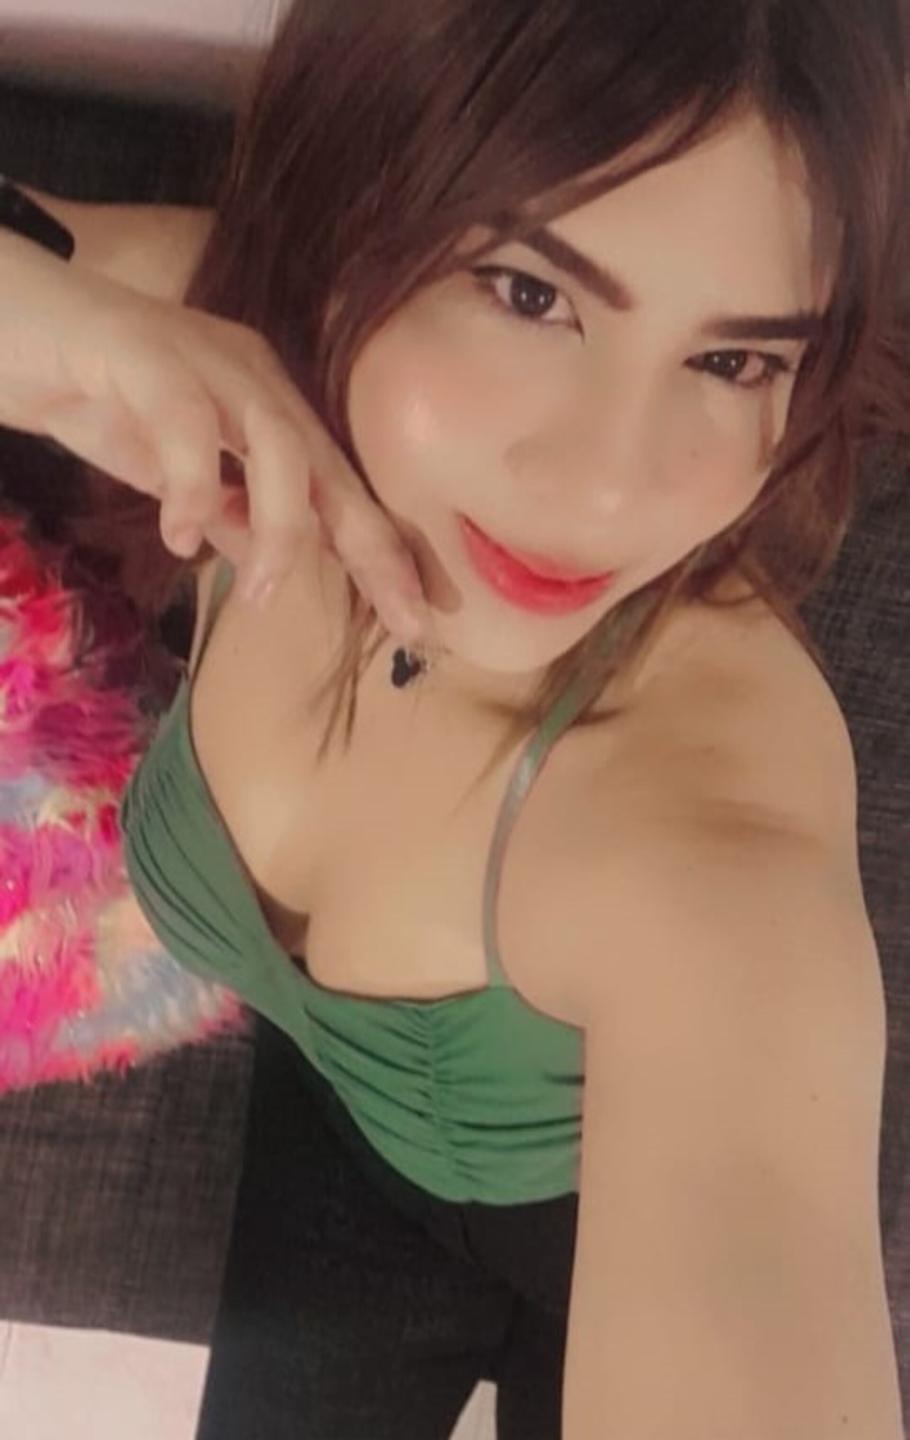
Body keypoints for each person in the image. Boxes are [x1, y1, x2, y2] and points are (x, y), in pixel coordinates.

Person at [0, 2, 908, 1436]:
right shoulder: (234, 347)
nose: (606, 489)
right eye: (528, 293)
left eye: (734, 361)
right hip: (336, 1137)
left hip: (580, 1235)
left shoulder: (706, 849)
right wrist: (38, 330)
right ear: (351, 214)